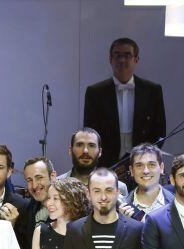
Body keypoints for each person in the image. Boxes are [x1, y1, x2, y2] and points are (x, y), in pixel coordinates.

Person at [84, 38, 166, 167]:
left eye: (127, 55)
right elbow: (90, 132)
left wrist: (146, 156)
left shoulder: (152, 90)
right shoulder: (95, 92)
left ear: (136, 59)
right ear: (110, 59)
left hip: (142, 162)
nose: (122, 60)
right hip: (106, 162)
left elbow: (159, 131)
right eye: (117, 55)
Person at [58, 128, 128, 195]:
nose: (85, 151)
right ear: (70, 150)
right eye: (79, 145)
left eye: (91, 145)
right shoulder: (56, 185)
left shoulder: (118, 187)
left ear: (100, 152)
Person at [120, 143, 174, 223]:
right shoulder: (122, 207)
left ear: (161, 168)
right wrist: (124, 224)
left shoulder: (177, 204)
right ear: (131, 170)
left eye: (151, 165)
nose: (146, 171)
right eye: (139, 165)